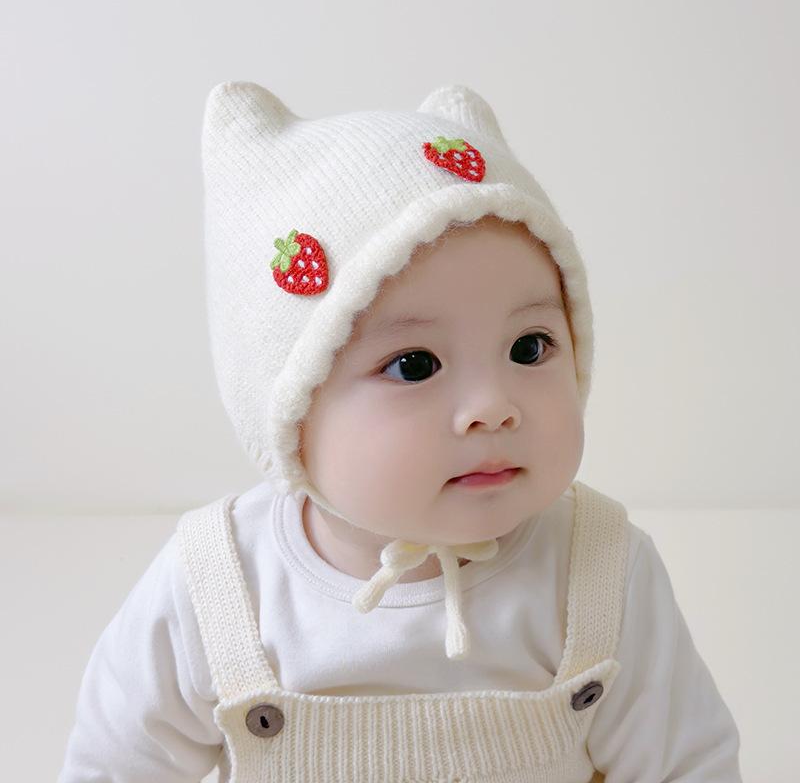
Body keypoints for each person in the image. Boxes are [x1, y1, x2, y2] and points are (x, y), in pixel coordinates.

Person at [58, 81, 743, 782]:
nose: (493, 407)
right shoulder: (222, 585)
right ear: (289, 416)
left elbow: (688, 765)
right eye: (415, 365)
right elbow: (114, 765)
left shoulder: (598, 571)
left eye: (529, 347)